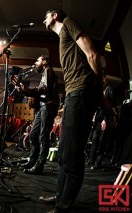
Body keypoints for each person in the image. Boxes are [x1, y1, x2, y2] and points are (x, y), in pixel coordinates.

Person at [39, 9, 104, 212]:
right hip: (73, 95)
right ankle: (60, 197)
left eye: (46, 15)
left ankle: (64, 206)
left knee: (73, 154)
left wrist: (95, 89)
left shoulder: (68, 22)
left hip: (81, 93)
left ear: (55, 15)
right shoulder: (61, 38)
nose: (44, 19)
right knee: (65, 153)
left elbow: (92, 53)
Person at [13, 55, 59, 175]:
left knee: (43, 137)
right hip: (43, 107)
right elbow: (42, 91)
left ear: (44, 61)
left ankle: (39, 166)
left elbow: (45, 89)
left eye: (37, 60)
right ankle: (32, 161)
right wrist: (24, 90)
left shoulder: (48, 70)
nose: (35, 63)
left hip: (48, 107)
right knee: (33, 135)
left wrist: (29, 90)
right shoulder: (44, 73)